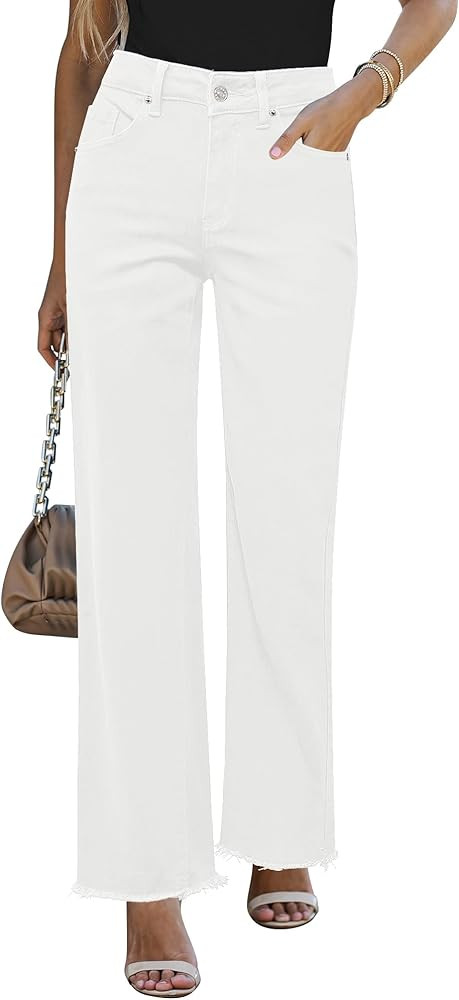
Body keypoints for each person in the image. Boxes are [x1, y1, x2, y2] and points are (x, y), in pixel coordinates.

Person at [37, 1, 457, 995]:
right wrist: (60, 256)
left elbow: (432, 4)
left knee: (287, 509)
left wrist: (366, 91)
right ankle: (148, 876)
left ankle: (282, 828)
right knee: (133, 532)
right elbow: (81, 51)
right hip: (134, 143)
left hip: (295, 140)